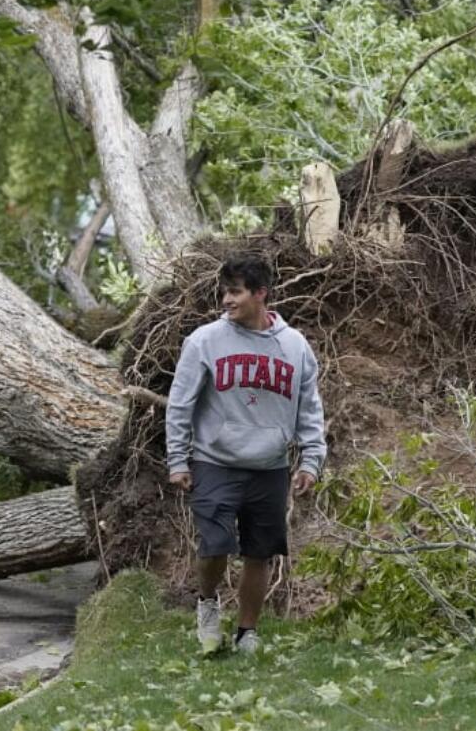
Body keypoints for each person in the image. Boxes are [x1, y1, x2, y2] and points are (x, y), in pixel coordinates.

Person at [165, 253, 327, 654]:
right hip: (214, 460)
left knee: (261, 551)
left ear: (261, 294)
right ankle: (207, 603)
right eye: (224, 291)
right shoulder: (204, 340)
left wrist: (310, 458)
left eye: (235, 292)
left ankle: (247, 633)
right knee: (216, 544)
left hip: (270, 465)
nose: (226, 300)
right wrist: (177, 459)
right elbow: (180, 403)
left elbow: (309, 406)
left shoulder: (294, 346)